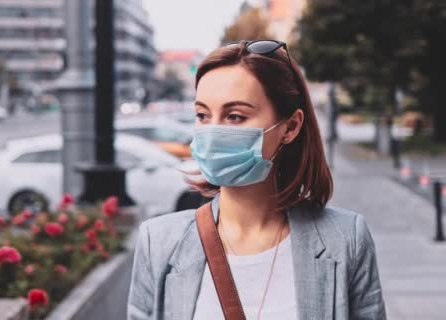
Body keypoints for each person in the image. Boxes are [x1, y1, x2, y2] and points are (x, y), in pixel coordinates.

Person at [127, 40, 386, 320]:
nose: (212, 132)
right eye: (202, 115)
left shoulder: (346, 240)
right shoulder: (158, 242)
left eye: (235, 116)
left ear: (290, 127)